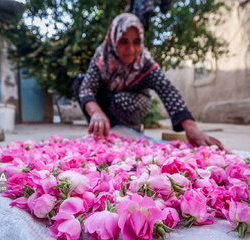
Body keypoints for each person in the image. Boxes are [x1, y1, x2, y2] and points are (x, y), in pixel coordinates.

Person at [73, 13, 224, 149]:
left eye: (136, 41)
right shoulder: (102, 57)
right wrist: (96, 113)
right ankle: (102, 127)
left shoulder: (145, 62)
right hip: (105, 105)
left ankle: (130, 130)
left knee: (122, 99)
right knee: (79, 81)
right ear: (114, 39)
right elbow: (87, 88)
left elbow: (167, 90)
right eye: (123, 41)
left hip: (130, 104)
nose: (131, 49)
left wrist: (191, 128)